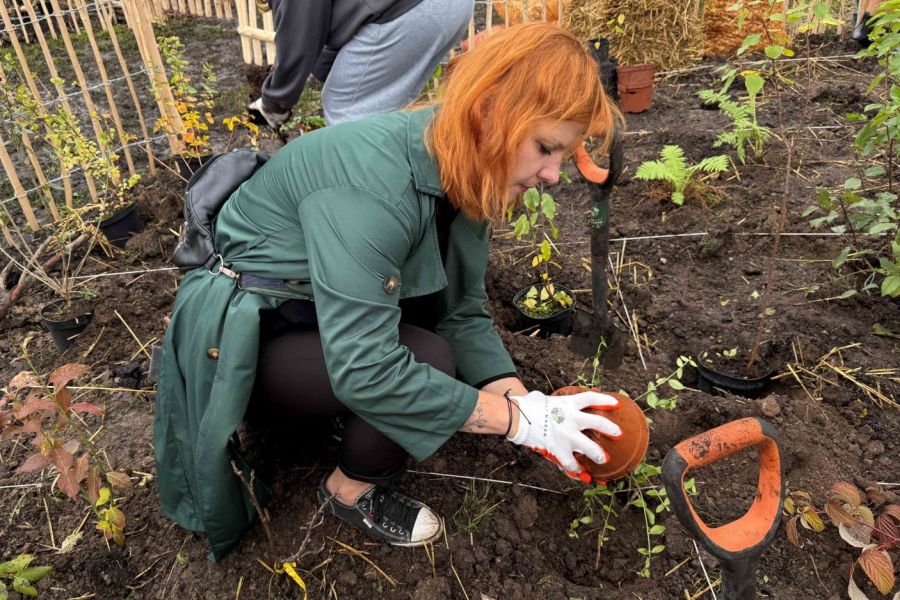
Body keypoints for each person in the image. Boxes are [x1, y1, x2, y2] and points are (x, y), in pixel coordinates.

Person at [155, 22, 625, 560]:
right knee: (427, 356)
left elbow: (462, 310)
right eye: (546, 147)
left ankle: (329, 416)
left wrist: (526, 406)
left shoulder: (464, 161)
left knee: (429, 314)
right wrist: (516, 424)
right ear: (490, 112)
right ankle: (350, 490)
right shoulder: (371, 186)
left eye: (561, 155)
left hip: (311, 314)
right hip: (242, 340)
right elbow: (367, 369)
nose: (552, 174)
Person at [248, 0, 474, 128]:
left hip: (416, 12)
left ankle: (358, 205)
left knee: (347, 116)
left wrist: (274, 102)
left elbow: (299, 36)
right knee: (387, 117)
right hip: (447, 8)